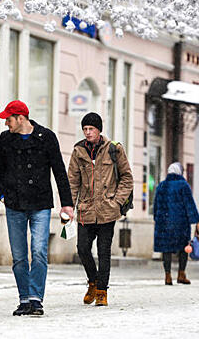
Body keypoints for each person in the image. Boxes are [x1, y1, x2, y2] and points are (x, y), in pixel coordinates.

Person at [0, 100, 74, 316]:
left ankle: (36, 299)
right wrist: (1, 193)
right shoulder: (6, 139)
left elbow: (59, 171)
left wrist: (67, 204)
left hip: (40, 203)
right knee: (19, 256)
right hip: (15, 204)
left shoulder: (46, 137)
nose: (6, 124)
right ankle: (24, 299)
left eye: (8, 120)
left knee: (38, 251)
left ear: (21, 118)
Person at [67, 112, 133, 306]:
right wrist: (69, 207)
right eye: (85, 129)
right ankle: (93, 282)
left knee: (104, 251)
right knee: (83, 249)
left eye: (91, 129)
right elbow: (72, 181)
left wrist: (117, 202)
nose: (88, 133)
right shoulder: (78, 151)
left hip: (107, 210)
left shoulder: (114, 149)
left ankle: (102, 291)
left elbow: (127, 178)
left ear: (99, 130)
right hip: (85, 210)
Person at [153, 162, 199, 285]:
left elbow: (156, 206)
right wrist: (196, 220)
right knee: (183, 249)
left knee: (166, 250)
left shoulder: (161, 186)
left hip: (164, 223)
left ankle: (167, 276)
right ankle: (181, 274)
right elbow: (189, 204)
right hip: (181, 223)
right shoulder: (183, 185)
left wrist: (157, 219)